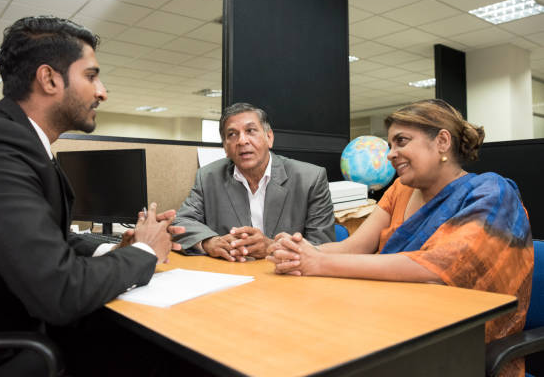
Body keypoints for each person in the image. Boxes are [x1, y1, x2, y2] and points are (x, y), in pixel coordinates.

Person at [0, 16, 183, 376]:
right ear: (49, 79)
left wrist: (115, 250)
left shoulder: (17, 141)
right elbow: (60, 292)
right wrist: (144, 252)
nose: (103, 92)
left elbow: (43, 238)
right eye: (92, 76)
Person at [267, 99, 532, 377]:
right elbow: (354, 247)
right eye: (390, 145)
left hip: (462, 349)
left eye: (401, 141)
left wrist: (317, 263)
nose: (391, 154)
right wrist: (299, 250)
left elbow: (434, 268)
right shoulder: (400, 190)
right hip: (391, 324)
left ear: (442, 141)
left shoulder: (492, 193)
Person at [173, 102, 335, 261]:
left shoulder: (310, 178)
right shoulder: (208, 177)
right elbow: (181, 222)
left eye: (250, 131)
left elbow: (323, 247)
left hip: (289, 278)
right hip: (232, 276)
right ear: (225, 147)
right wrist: (210, 242)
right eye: (232, 134)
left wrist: (271, 247)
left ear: (269, 137)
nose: (242, 141)